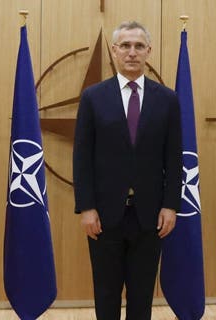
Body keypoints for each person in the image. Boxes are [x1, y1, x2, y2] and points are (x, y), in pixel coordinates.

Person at [73, 21, 182, 319]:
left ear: (149, 51)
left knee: (142, 296)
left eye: (138, 46)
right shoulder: (93, 98)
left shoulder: (168, 100)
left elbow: (174, 159)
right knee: (106, 294)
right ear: (114, 50)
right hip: (104, 216)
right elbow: (81, 157)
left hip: (150, 216)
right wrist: (86, 207)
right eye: (125, 46)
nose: (132, 52)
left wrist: (171, 205)